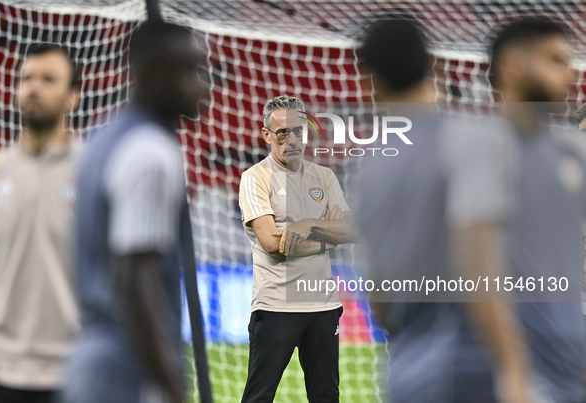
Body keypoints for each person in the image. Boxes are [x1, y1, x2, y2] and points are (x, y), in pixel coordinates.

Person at [357, 16, 586, 403]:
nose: (570, 76)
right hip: (481, 361)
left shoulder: (371, 168)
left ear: (371, 80)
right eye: (555, 59)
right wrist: (511, 365)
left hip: (415, 367)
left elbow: (381, 303)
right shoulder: (480, 146)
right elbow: (479, 259)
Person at [61, 22, 202, 403]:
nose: (201, 86)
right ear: (151, 73)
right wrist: (172, 386)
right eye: (190, 71)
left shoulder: (101, 136)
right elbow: (135, 280)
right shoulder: (151, 152)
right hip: (126, 369)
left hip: (87, 358)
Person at [238, 95, 359, 402]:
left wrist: (310, 225)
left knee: (326, 397)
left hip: (323, 307)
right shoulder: (254, 178)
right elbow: (273, 244)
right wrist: (328, 239)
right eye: (282, 133)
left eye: (298, 131)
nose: (292, 140)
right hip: (276, 306)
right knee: (259, 397)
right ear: (266, 135)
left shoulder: (324, 176)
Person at [0, 43, 81, 403]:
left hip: (73, 371)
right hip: (1, 368)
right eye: (27, 78)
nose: (34, 87)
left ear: (72, 97)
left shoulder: (92, 173)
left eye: (49, 79)